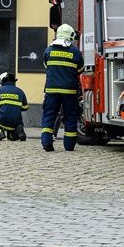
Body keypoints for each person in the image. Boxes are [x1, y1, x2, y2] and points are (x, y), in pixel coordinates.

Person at [41, 23, 84, 152]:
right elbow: (80, 69)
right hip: (69, 91)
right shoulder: (75, 52)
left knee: (49, 115)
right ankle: (69, 146)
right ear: (70, 36)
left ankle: (46, 143)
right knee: (70, 116)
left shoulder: (48, 50)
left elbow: (46, 66)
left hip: (51, 90)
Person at [0, 72, 28, 142]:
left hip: (2, 119)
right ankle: (20, 130)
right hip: (16, 122)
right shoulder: (20, 91)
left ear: (2, 81)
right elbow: (25, 108)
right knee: (12, 138)